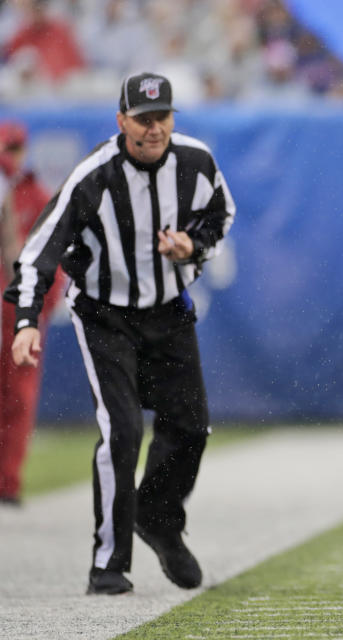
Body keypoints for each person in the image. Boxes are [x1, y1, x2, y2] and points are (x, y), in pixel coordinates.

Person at [3, 72, 236, 595]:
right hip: (105, 315)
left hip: (169, 309)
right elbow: (40, 248)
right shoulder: (95, 175)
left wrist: (190, 247)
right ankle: (108, 564)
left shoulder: (195, 161)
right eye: (144, 119)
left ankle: (157, 517)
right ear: (121, 121)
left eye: (163, 118)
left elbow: (220, 217)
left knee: (192, 427)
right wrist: (24, 320)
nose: (155, 130)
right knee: (123, 431)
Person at [0, 119, 62, 506]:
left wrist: (39, 310)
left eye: (16, 148)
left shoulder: (37, 196)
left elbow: (53, 259)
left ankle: (7, 482)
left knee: (19, 396)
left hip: (17, 314)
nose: (11, 157)